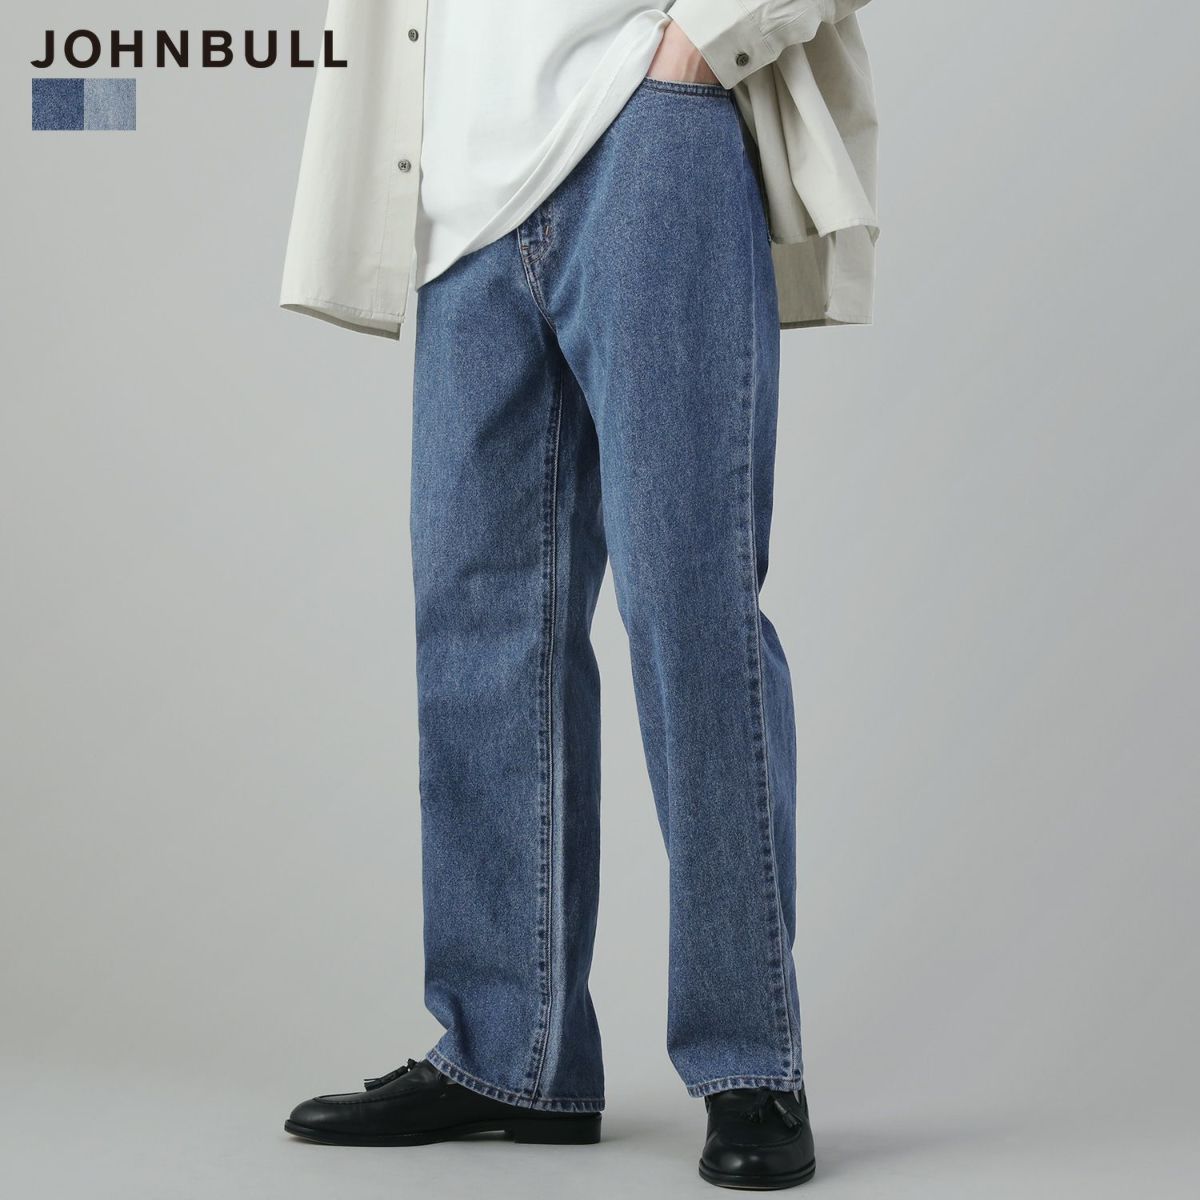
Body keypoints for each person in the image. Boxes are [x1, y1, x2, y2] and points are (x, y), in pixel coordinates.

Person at [278, 1, 879, 1189]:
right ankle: (510, 1055)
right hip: (455, 184)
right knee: (477, 627)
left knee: (689, 607)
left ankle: (750, 1060)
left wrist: (700, 44)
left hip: (647, 129)